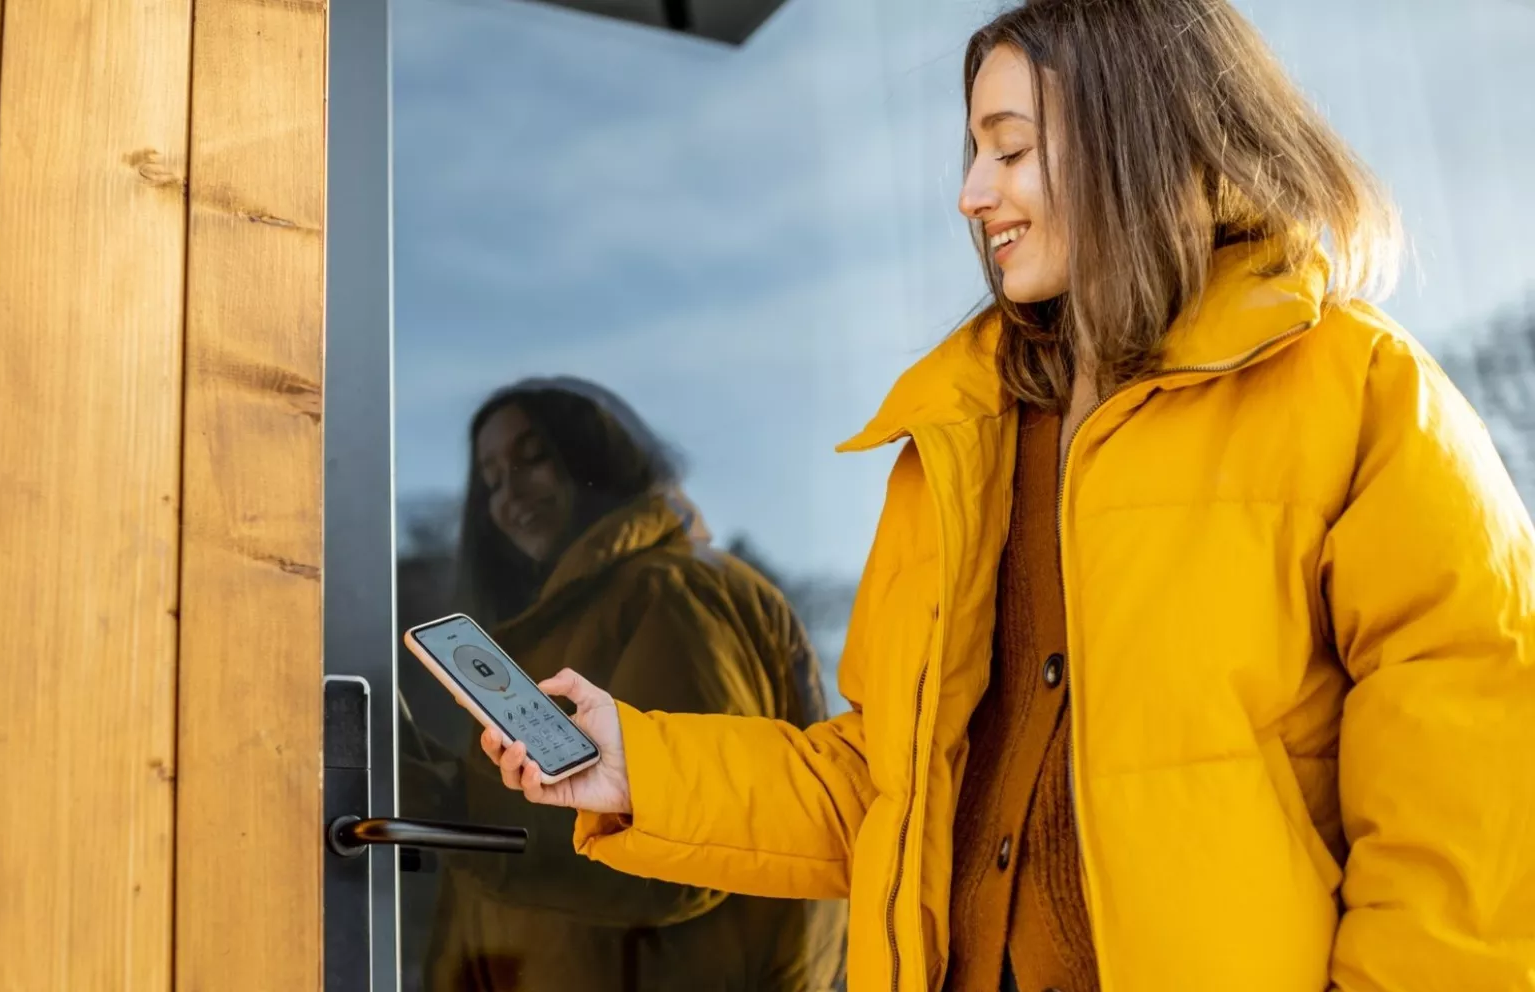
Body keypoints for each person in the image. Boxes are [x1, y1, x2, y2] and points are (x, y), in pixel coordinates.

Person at [477, 2, 1535, 990]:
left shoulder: (1359, 396)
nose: (971, 192)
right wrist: (639, 766)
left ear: (1138, 138)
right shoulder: (961, 438)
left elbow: (1470, 822)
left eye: (1011, 149)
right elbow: (888, 789)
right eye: (973, 152)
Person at [401, 377, 847, 991]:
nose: (511, 495)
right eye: (493, 479)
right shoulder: (574, 611)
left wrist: (452, 818)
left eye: (535, 458)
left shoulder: (670, 593)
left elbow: (686, 852)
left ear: (595, 456)